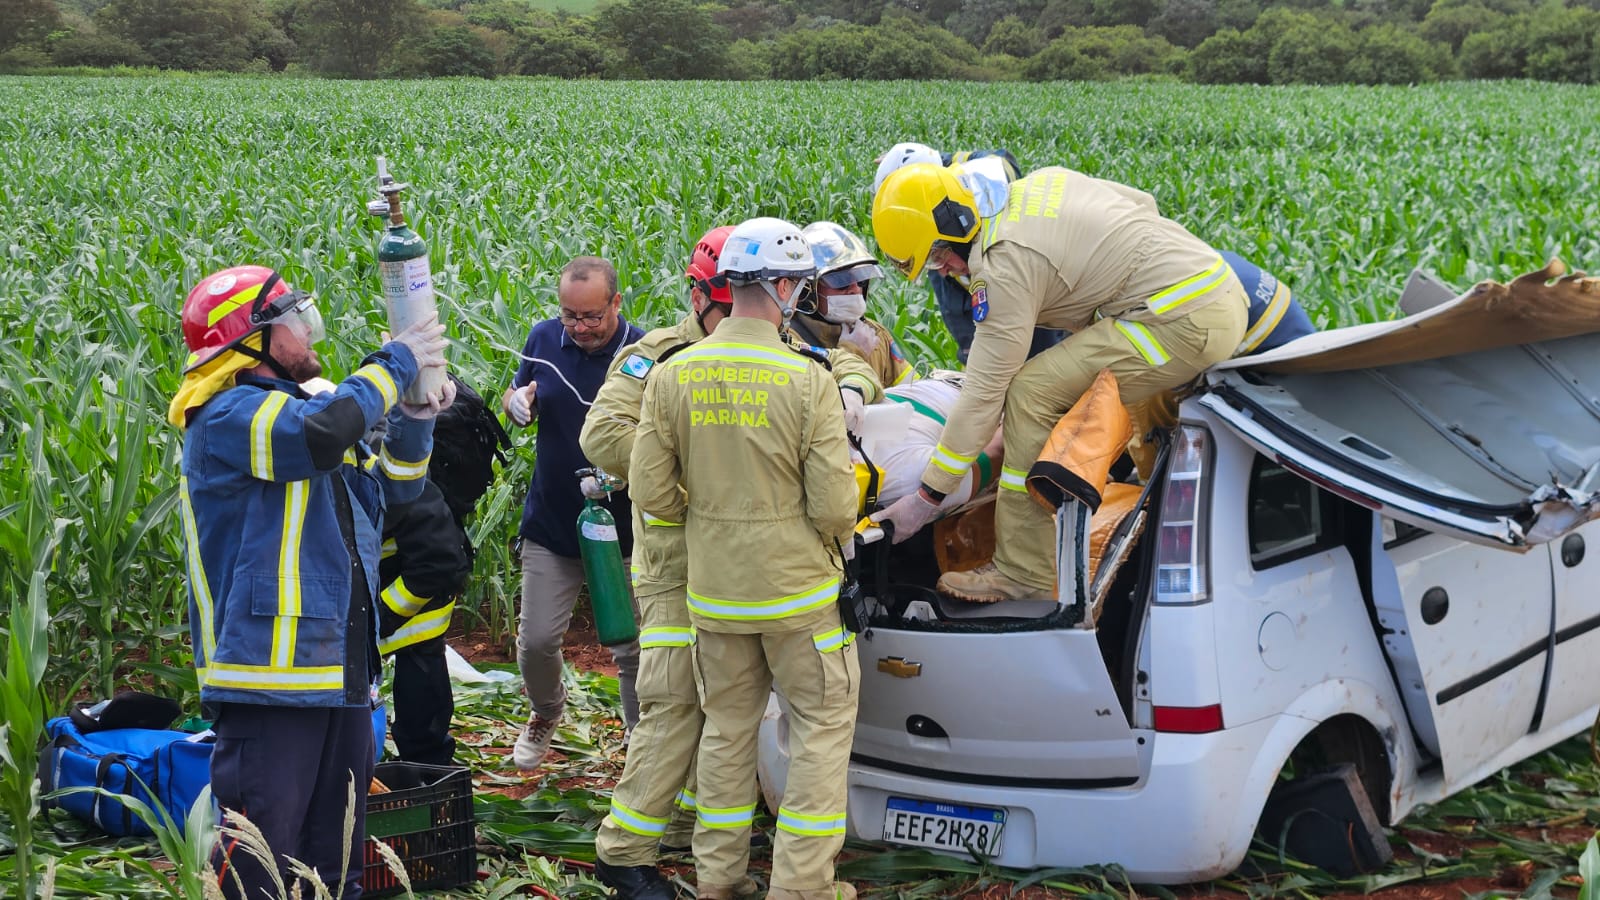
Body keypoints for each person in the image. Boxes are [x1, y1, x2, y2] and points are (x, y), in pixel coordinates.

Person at [583, 226, 883, 900]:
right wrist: (719, 482)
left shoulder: (682, 375)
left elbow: (850, 364)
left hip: (713, 585)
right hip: (712, 575)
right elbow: (834, 507)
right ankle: (781, 883)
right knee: (688, 708)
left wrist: (706, 491)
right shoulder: (662, 358)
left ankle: (717, 876)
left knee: (723, 727)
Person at [169, 264, 451, 899]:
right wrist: (396, 362)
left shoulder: (298, 416)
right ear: (254, 340)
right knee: (261, 866)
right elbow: (322, 433)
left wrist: (414, 414)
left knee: (336, 867)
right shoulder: (228, 416)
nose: (308, 332)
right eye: (294, 321)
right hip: (269, 681)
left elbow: (396, 490)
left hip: (340, 677)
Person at [870, 163, 1248, 603]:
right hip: (1215, 290)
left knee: (1030, 393)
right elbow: (1141, 204)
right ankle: (1156, 500)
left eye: (937, 257)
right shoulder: (1038, 186)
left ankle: (1022, 570)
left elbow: (984, 395)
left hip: (1180, 321)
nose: (943, 270)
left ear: (956, 228)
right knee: (1116, 390)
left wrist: (927, 497)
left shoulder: (1002, 267)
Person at [504, 256, 645, 771]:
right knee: (536, 641)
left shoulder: (643, 354)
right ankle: (546, 711)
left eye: (592, 316)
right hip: (554, 523)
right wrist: (516, 403)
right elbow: (518, 392)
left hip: (627, 529)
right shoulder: (543, 340)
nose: (580, 328)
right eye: (570, 316)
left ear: (616, 303)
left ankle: (641, 744)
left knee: (634, 649)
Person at [376, 376, 510, 766]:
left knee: (421, 708)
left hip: (420, 587)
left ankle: (431, 772)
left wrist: (379, 617)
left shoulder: (391, 472)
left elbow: (440, 561)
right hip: (402, 578)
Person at [872, 142, 1062, 363]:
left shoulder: (979, 191)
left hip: (1018, 294)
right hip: (957, 273)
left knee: (1041, 352)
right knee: (975, 352)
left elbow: (1004, 164)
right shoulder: (938, 252)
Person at [787, 220, 915, 389]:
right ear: (806, 289)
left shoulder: (877, 335)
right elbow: (812, 397)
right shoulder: (788, 340)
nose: (855, 289)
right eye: (842, 281)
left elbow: (913, 389)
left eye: (861, 280)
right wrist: (853, 351)